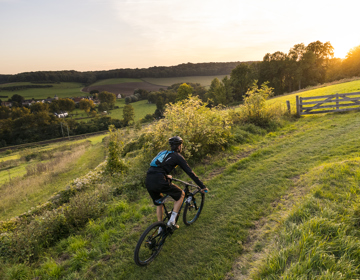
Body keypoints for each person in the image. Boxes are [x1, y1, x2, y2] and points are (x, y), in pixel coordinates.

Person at [146, 136, 208, 229]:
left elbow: (156, 166)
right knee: (181, 194)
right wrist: (202, 186)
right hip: (160, 180)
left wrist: (165, 175)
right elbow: (190, 172)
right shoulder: (177, 156)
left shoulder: (162, 152)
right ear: (179, 146)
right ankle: (172, 221)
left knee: (159, 202)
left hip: (149, 180)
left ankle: (160, 227)